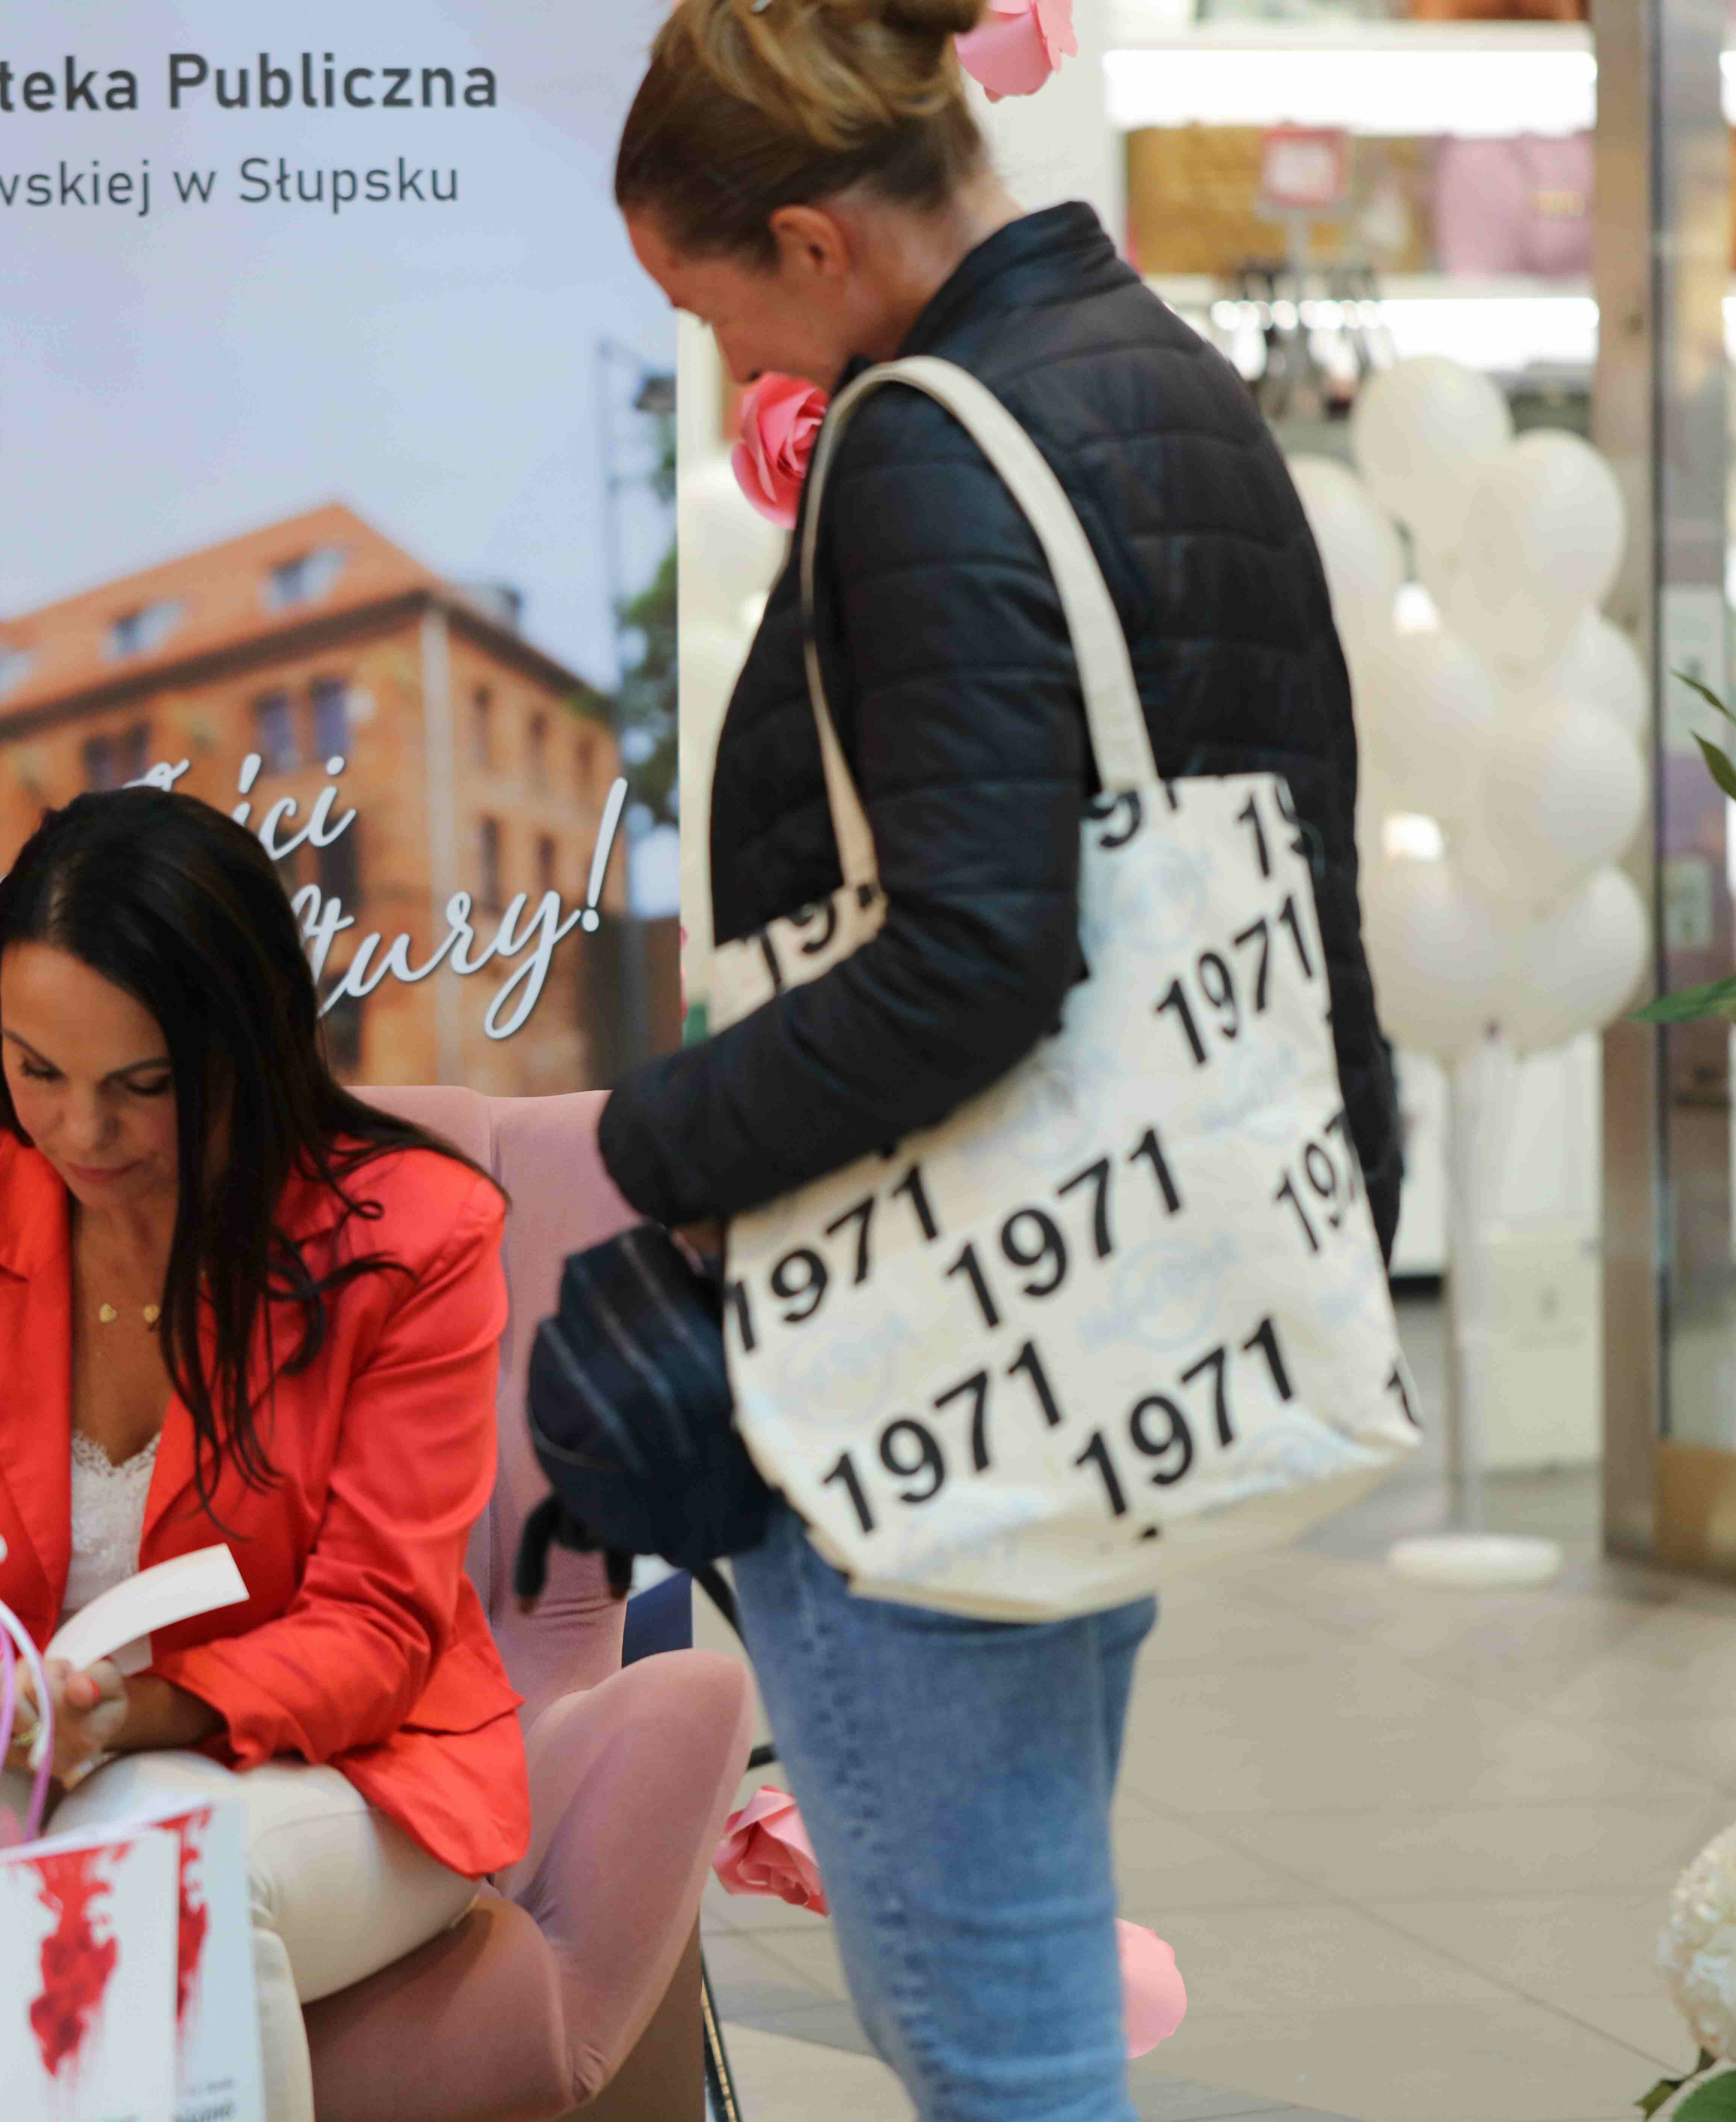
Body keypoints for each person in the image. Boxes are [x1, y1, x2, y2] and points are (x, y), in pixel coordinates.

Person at [595, 3, 1400, 2117]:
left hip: (932, 1336)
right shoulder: (1154, 373)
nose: (745, 380)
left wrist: (650, 1139)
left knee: (997, 2032)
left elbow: (966, 957)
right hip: (1115, 1286)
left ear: (808, 238)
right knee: (1018, 1958)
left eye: (715, 316)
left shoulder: (927, 441)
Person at [0, 787, 524, 2122]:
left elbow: (378, 1626)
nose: (79, 1134)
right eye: (33, 1070)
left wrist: (131, 1712)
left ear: (248, 1040)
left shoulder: (413, 1233)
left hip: (336, 1762)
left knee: (133, 1865)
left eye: (142, 1086)